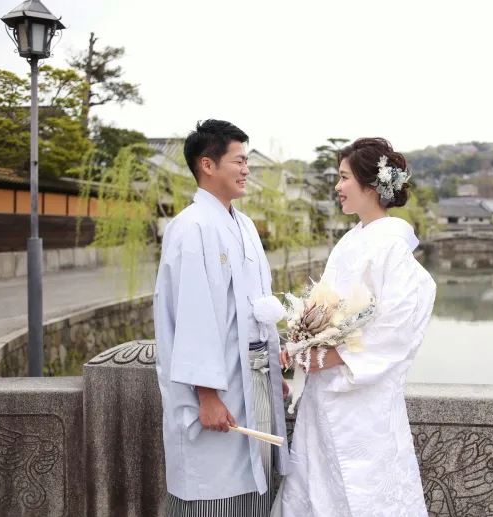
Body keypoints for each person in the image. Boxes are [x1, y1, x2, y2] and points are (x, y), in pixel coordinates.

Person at [274, 138, 437, 517]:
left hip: (362, 394)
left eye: (344, 177)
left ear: (371, 185)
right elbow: (325, 306)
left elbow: (395, 327)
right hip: (325, 391)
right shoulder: (351, 239)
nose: (337, 186)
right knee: (316, 486)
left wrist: (331, 355)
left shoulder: (392, 246)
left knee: (365, 494)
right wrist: (300, 344)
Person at [154, 119, 290, 517]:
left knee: (256, 484)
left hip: (253, 379)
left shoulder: (243, 224)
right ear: (208, 165)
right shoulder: (190, 227)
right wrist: (207, 395)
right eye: (239, 161)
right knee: (214, 489)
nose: (247, 170)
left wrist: (272, 371)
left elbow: (257, 306)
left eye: (247, 161)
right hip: (218, 389)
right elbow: (192, 316)